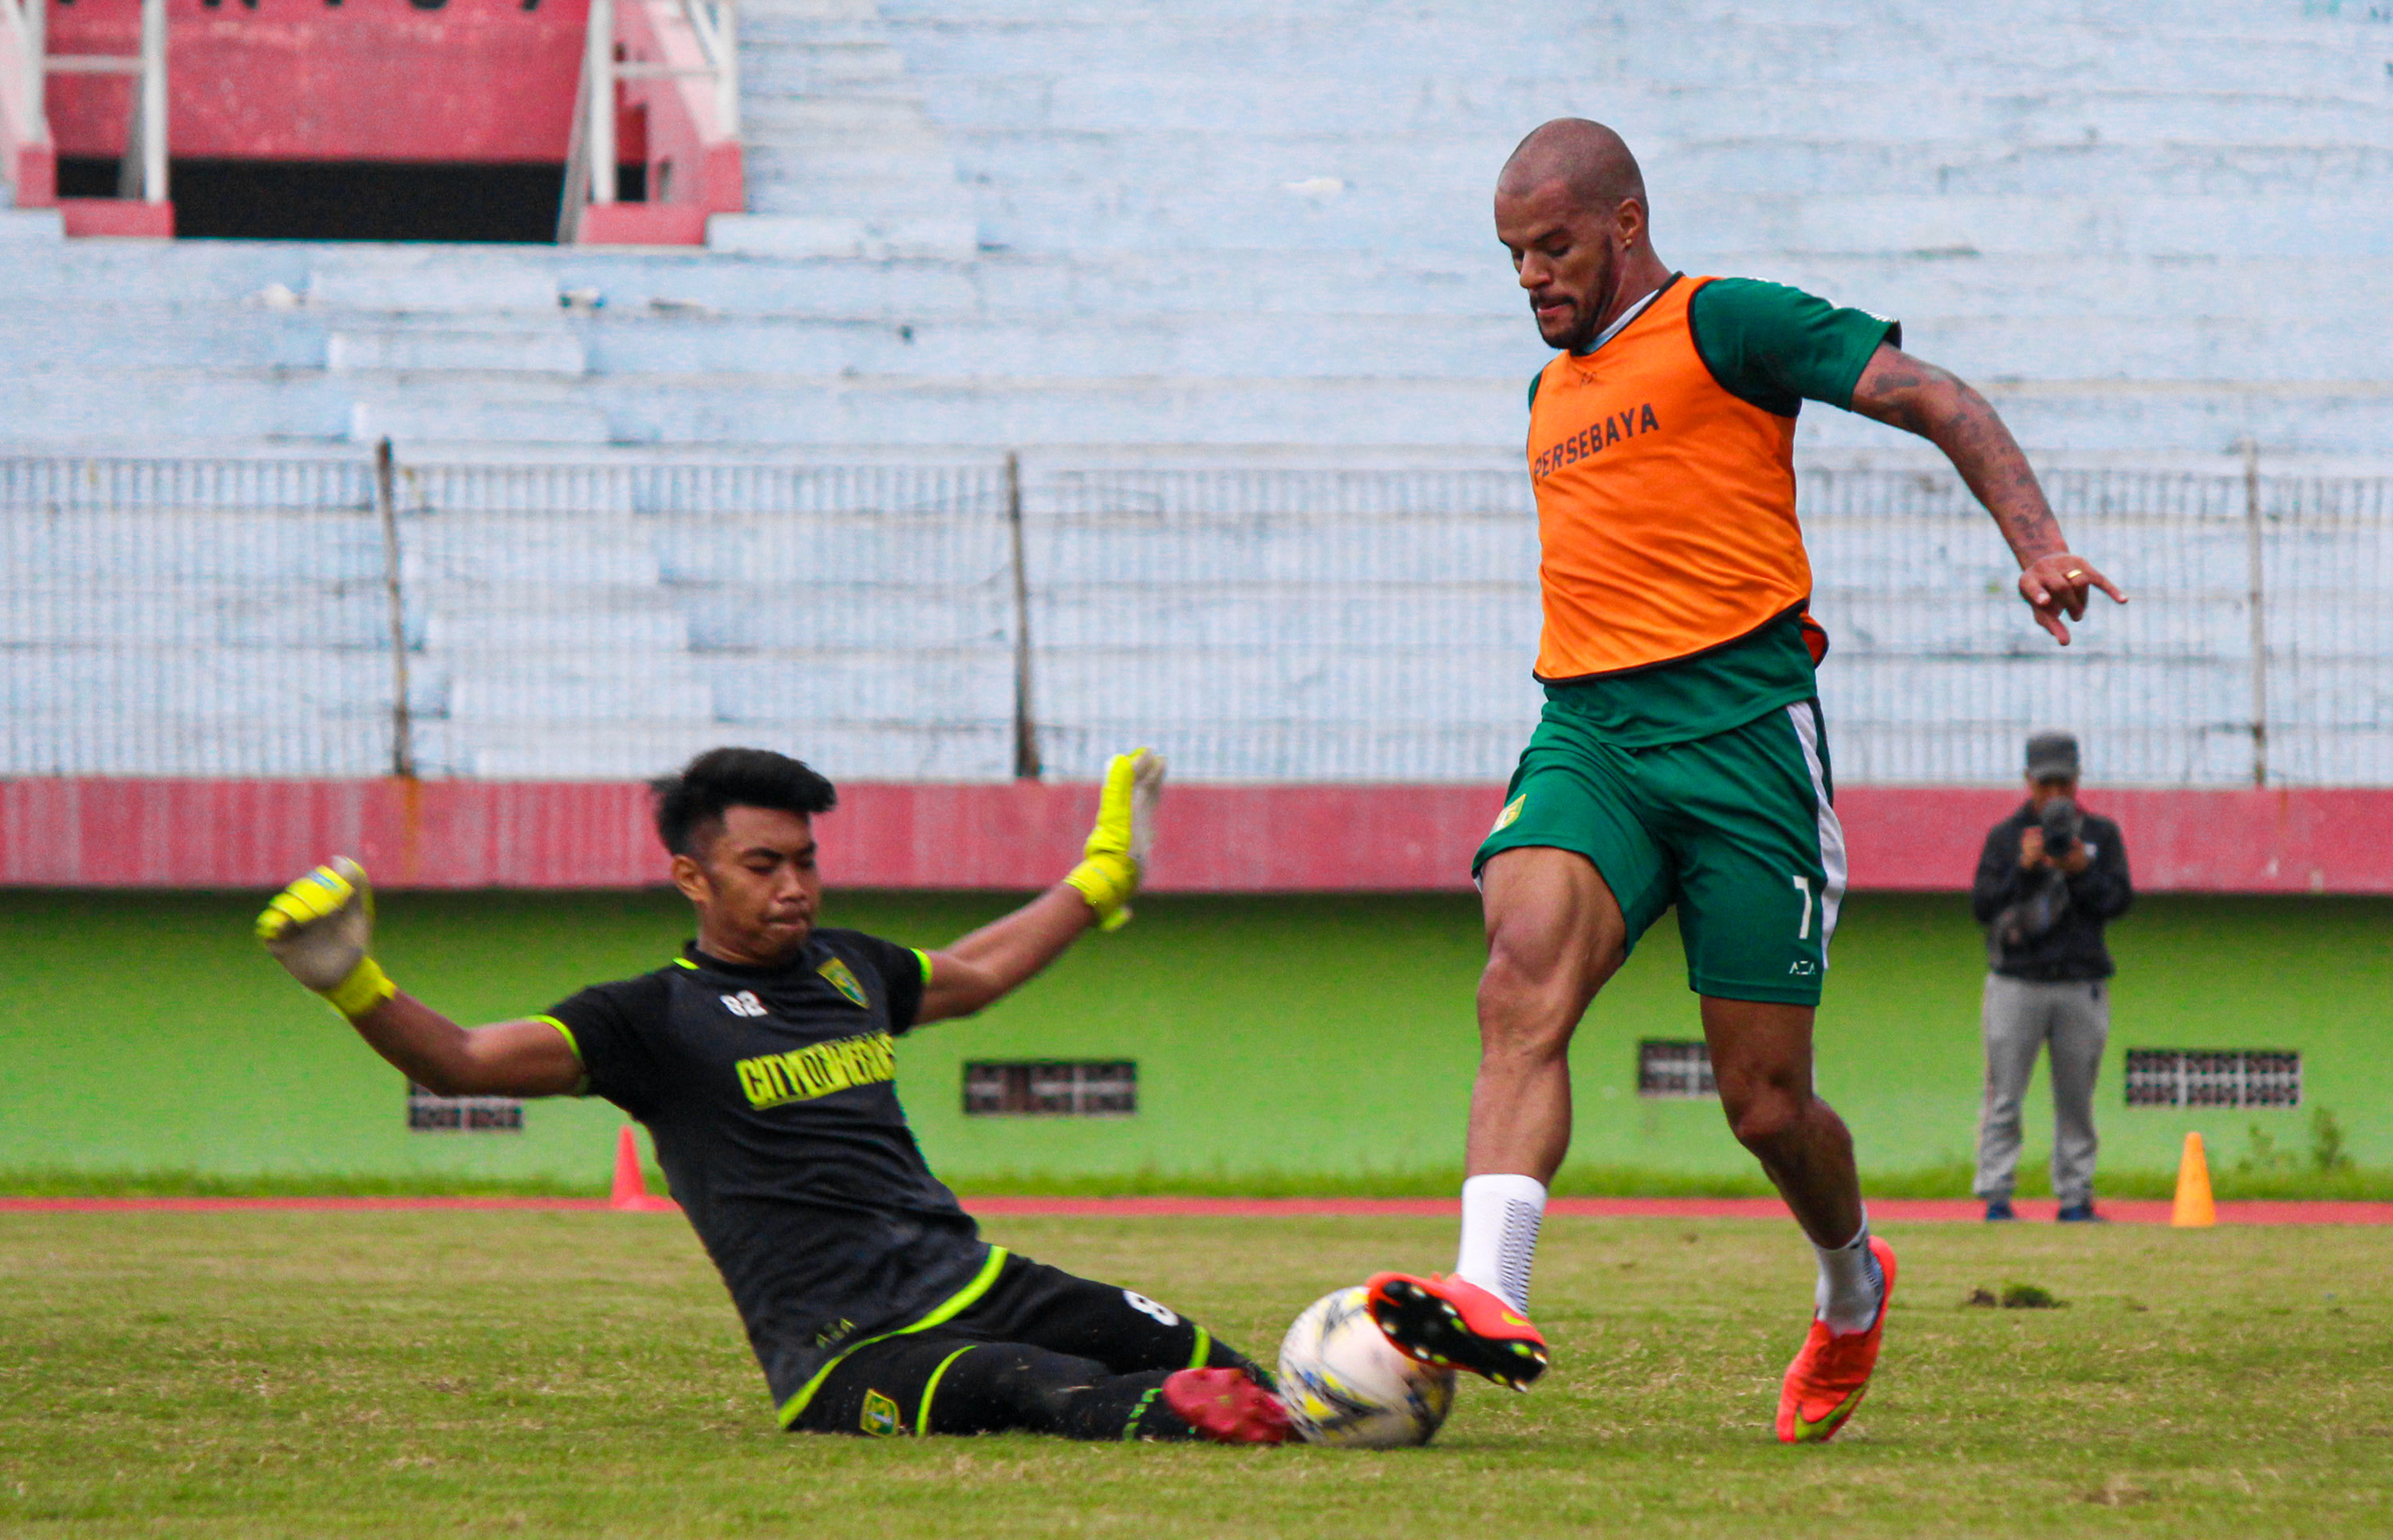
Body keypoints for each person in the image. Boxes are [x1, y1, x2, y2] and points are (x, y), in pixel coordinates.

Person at [1363, 118, 2128, 1444]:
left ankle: (1849, 1280)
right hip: (1590, 730)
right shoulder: (1549, 396)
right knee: (1520, 968)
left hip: (1744, 737)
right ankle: (1487, 1290)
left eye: (1553, 247)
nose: (1534, 277)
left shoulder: (1728, 324)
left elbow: (1936, 397)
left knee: (1763, 1102)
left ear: (1625, 222)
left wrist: (2040, 543)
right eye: (1512, 258)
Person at [254, 745, 1288, 1446]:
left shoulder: (849, 966)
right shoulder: (650, 1019)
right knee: (1028, 1382)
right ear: (692, 876)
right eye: (762, 864)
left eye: (806, 859)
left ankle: (1333, 1387)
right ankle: (1172, 1417)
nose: (794, 884)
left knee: (1202, 1351)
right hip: (845, 1355)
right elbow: (465, 1061)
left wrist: (1101, 876)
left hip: (971, 1275)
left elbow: (976, 973)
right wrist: (353, 980)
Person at [1969, 731, 2133, 1223]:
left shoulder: (2101, 836)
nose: (2055, 795)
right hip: (2016, 983)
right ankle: (1996, 1197)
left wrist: (2081, 869)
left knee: (2077, 1099)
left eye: (2063, 783)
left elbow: (2119, 902)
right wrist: (2022, 868)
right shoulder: (2006, 837)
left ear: (2078, 781)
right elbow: (1982, 906)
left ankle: (2075, 1197)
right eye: (2045, 784)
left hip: (2080, 983)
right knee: (2004, 1097)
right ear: (2028, 782)